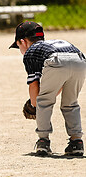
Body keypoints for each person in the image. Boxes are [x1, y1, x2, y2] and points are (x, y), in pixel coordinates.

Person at [10, 20, 86, 156]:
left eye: (18, 46)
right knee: (71, 103)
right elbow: (58, 84)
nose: (21, 51)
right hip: (79, 60)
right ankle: (76, 142)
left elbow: (34, 86)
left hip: (56, 60)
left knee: (43, 102)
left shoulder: (31, 52)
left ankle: (43, 141)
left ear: (23, 42)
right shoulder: (50, 44)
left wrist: (34, 105)